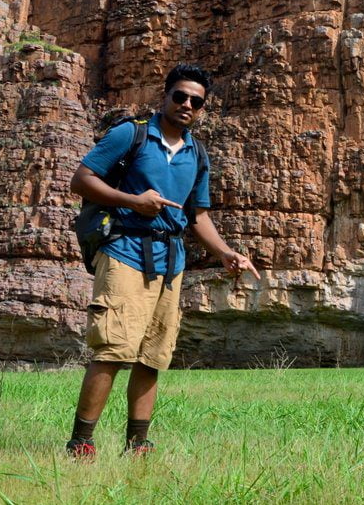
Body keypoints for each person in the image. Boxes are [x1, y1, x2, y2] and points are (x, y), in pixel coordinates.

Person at [65, 63, 260, 458]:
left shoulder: (197, 153)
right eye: (180, 96)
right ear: (165, 95)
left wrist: (225, 252)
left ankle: (138, 445)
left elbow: (198, 216)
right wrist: (133, 201)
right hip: (124, 251)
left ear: (202, 109)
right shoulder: (131, 134)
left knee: (153, 355)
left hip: (171, 263)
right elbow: (82, 179)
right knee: (113, 349)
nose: (187, 104)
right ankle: (82, 443)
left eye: (196, 101)